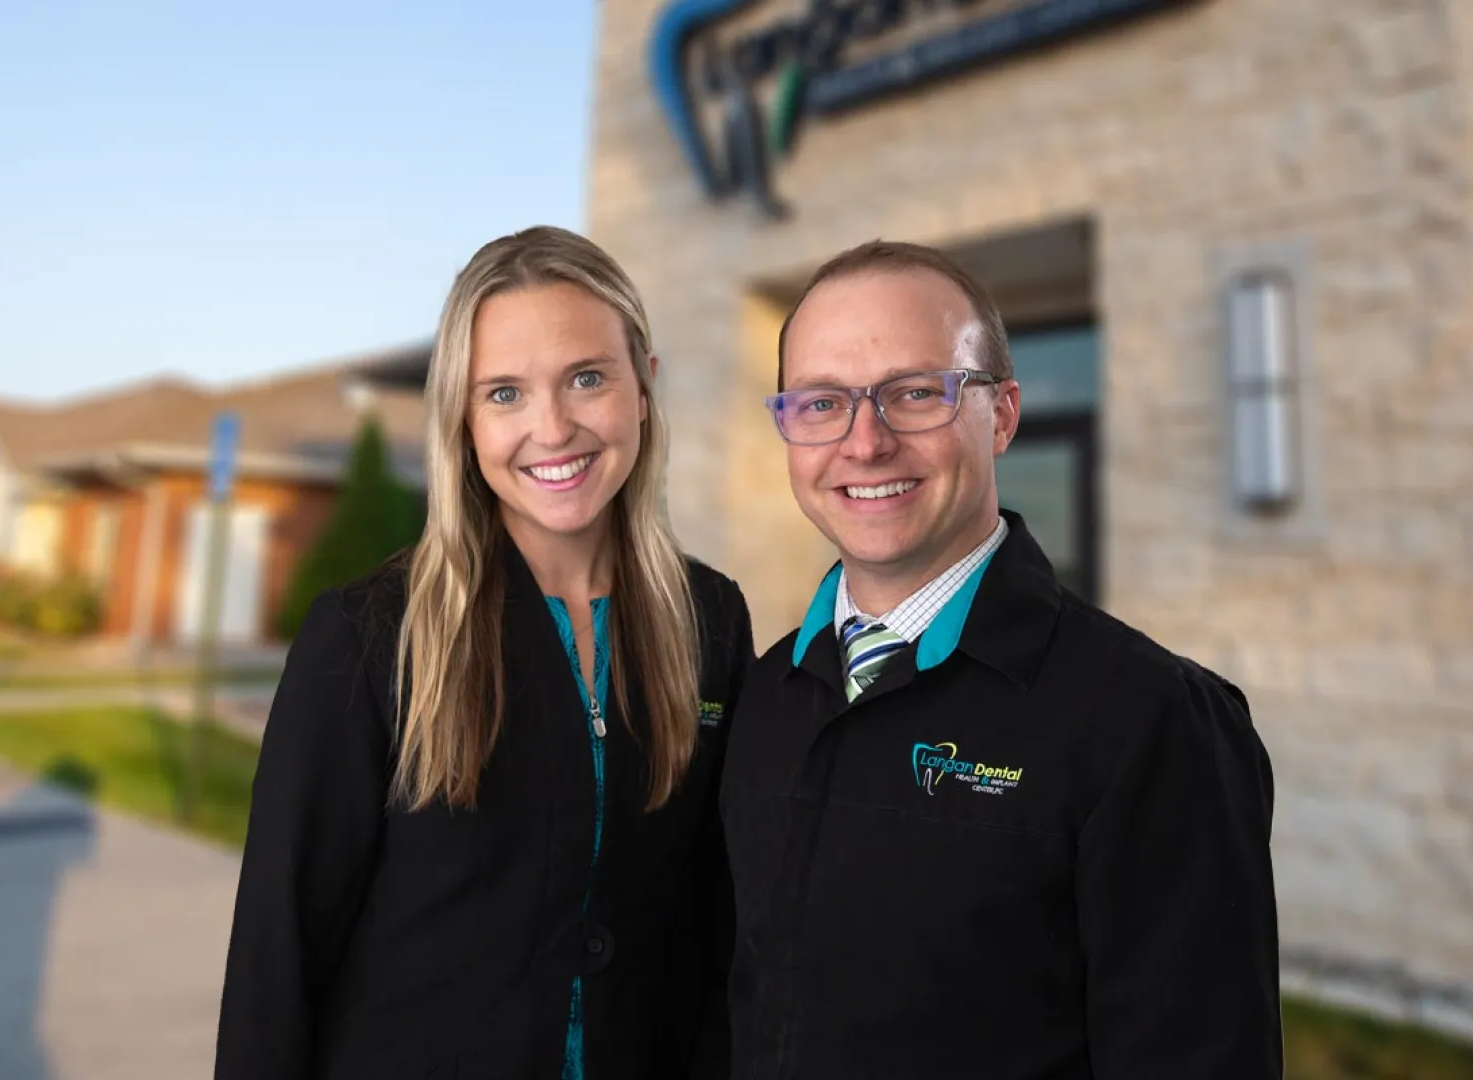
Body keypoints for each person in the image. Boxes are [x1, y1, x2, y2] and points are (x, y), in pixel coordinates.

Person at [720, 240, 1281, 1078]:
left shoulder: (1150, 722)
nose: (864, 443)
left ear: (1004, 414)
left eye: (916, 394)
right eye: (822, 403)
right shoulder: (762, 696)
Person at [215, 225, 752, 1080]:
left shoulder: (712, 619)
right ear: (461, 421)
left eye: (587, 378)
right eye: (503, 393)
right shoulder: (366, 637)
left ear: (643, 388)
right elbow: (277, 960)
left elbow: (711, 918)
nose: (553, 427)